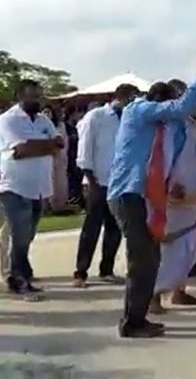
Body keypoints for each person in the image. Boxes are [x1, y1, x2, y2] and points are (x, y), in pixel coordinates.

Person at [107, 54, 196, 338]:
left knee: (149, 258)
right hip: (129, 194)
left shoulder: (162, 129)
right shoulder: (139, 110)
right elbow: (182, 107)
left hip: (143, 196)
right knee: (142, 259)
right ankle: (132, 322)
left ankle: (136, 318)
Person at [149, 80, 196, 315]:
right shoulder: (167, 127)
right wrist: (166, 187)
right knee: (169, 249)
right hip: (173, 199)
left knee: (189, 246)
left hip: (193, 196)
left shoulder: (190, 125)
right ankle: (153, 295)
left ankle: (178, 291)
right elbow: (159, 160)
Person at [0, 79, 64, 301]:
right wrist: (45, 146)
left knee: (28, 235)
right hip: (14, 185)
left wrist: (37, 147)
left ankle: (20, 274)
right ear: (19, 96)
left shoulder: (44, 119)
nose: (37, 100)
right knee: (20, 234)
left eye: (39, 95)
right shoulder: (8, 120)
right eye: (32, 96)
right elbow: (21, 149)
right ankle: (18, 280)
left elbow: (59, 143)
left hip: (39, 187)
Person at [73, 84, 140, 288]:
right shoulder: (96, 117)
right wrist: (91, 181)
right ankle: (80, 273)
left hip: (120, 183)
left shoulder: (130, 118)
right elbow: (84, 151)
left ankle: (106, 270)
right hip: (97, 182)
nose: (132, 103)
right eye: (129, 99)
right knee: (91, 229)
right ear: (117, 97)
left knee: (114, 228)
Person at [42, 105, 70, 213]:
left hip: (59, 158)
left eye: (48, 112)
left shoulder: (60, 126)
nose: (47, 114)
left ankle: (58, 205)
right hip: (45, 157)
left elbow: (64, 141)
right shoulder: (39, 126)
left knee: (59, 182)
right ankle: (45, 206)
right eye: (44, 112)